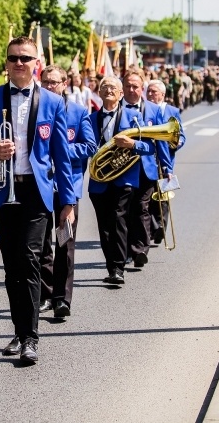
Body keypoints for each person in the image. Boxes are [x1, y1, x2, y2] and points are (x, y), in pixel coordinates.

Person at [0, 36, 76, 364]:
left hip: (35, 192)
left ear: (36, 64)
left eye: (25, 58)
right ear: (6, 63)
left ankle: (31, 337)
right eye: (14, 58)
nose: (19, 63)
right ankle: (19, 331)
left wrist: (68, 201)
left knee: (30, 259)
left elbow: (61, 154)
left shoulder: (52, 102)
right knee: (12, 266)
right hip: (2, 190)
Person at [38, 66, 96, 318]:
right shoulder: (34, 110)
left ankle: (62, 298)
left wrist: (61, 152)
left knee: (64, 243)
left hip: (66, 190)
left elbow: (89, 146)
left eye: (54, 82)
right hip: (39, 188)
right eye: (45, 82)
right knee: (40, 246)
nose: (49, 86)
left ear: (64, 84)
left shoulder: (78, 111)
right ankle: (46, 293)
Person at [88, 77, 154, 284]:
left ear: (121, 94)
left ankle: (117, 269)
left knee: (118, 219)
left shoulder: (134, 117)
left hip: (124, 179)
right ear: (99, 92)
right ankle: (112, 264)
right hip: (99, 181)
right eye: (104, 87)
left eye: (113, 88)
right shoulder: (90, 119)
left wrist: (132, 144)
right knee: (104, 225)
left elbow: (150, 147)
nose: (108, 90)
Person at [121, 69, 170, 267]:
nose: (132, 90)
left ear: (142, 88)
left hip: (146, 168)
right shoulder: (116, 108)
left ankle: (140, 249)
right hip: (122, 169)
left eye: (135, 86)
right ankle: (125, 250)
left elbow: (162, 141)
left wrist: (166, 166)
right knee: (124, 210)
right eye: (128, 86)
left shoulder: (154, 110)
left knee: (142, 208)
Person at [145, 80, 186, 246]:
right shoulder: (144, 110)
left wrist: (174, 144)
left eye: (154, 92)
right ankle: (150, 227)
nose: (150, 95)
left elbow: (181, 135)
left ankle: (161, 225)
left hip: (166, 160)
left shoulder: (172, 111)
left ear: (162, 94)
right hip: (148, 159)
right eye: (148, 91)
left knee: (164, 195)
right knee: (147, 196)